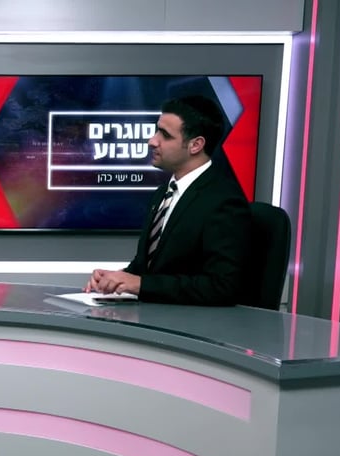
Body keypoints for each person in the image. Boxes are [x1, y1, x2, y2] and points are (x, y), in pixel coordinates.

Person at [84, 95, 251, 306]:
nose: (152, 141)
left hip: (192, 324)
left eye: (165, 135)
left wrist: (140, 284)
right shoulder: (163, 193)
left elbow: (221, 286)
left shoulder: (224, 201)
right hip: (153, 315)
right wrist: (115, 279)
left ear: (196, 145)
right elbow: (149, 269)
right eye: (157, 131)